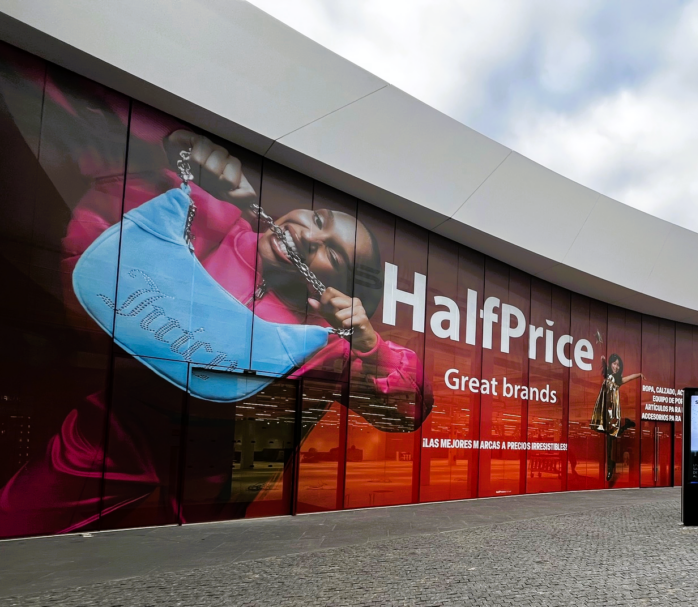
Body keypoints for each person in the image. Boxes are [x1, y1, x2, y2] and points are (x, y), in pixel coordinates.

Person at [0, 62, 427, 537]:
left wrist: (370, 345)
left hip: (214, 476)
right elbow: (95, 252)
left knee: (195, 562)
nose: (310, 236)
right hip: (112, 434)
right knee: (20, 522)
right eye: (319, 219)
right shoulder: (210, 214)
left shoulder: (324, 341)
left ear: (340, 282)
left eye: (333, 253)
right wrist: (169, 154)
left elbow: (407, 414)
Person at [590, 354, 643, 481]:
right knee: (607, 433)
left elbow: (629, 378)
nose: (616, 366)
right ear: (611, 364)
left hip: (612, 410)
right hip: (604, 407)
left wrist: (639, 374)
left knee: (611, 437)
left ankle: (610, 467)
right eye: (614, 363)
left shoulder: (618, 380)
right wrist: (603, 359)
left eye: (618, 365)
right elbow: (604, 366)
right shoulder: (607, 374)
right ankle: (627, 424)